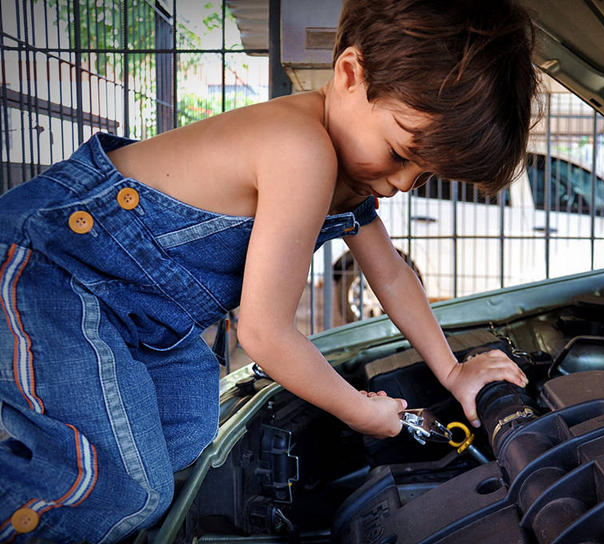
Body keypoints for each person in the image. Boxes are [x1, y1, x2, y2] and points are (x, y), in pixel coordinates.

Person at [0, 0, 537, 541]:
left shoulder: (346, 174)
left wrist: (451, 372)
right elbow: (264, 332)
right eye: (400, 152)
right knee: (124, 488)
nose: (401, 183)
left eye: (423, 177)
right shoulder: (300, 148)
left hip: (138, 313)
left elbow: (392, 274)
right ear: (350, 75)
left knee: (182, 439)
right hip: (54, 274)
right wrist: (357, 410)